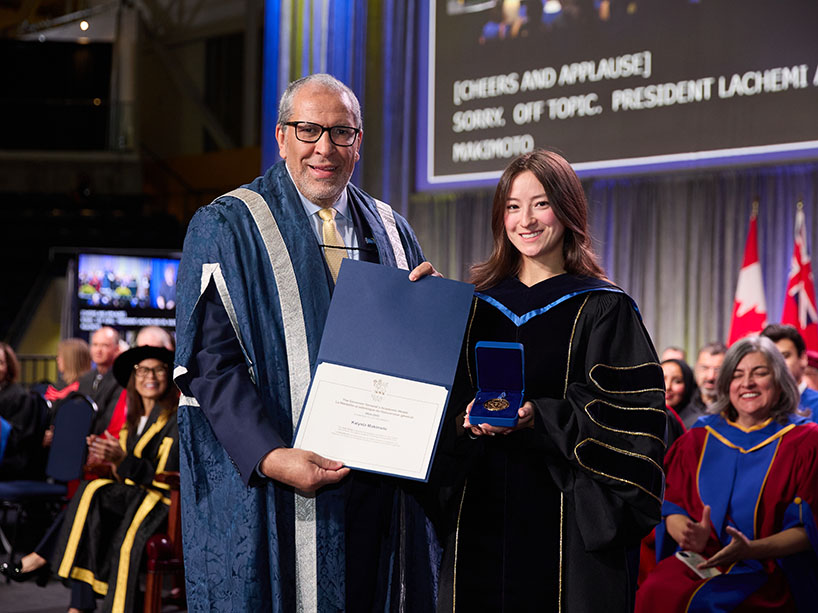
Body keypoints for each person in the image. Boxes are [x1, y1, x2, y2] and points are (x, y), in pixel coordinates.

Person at [173, 73, 438, 611]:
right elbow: (209, 362)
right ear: (281, 136)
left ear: (358, 143)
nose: (325, 149)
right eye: (309, 130)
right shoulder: (229, 225)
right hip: (280, 484)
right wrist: (270, 456)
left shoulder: (392, 229)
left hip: (378, 485)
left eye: (342, 133)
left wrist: (427, 311)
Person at [433, 149, 665, 611]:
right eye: (513, 206)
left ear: (567, 209)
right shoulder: (471, 306)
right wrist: (425, 309)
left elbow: (633, 426)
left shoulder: (604, 307)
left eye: (541, 203)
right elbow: (443, 405)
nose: (527, 220)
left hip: (569, 526)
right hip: (476, 516)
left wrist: (540, 418)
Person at [636, 336, 818, 612]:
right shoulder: (698, 438)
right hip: (702, 559)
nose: (747, 383)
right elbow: (672, 503)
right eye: (737, 374)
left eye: (760, 373)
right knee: (655, 591)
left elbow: (810, 526)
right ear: (726, 385)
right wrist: (686, 533)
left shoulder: (805, 442)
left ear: (780, 381)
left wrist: (752, 549)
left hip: (773, 567)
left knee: (711, 604)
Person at [0, 345, 179, 613]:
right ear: (133, 377)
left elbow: (163, 478)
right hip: (132, 495)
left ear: (169, 375)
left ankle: (44, 561)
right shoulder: (134, 419)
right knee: (90, 499)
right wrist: (106, 457)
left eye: (158, 369)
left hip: (159, 504)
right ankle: (75, 601)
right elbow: (123, 471)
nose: (149, 376)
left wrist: (120, 460)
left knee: (91, 495)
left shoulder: (174, 419)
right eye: (142, 370)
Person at [0, 342, 44, 480]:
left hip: (11, 462)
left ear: (8, 367)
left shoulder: (19, 396)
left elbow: (18, 440)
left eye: (0, 362)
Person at [761, 323, 818, 417]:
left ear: (803, 358)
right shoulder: (753, 407)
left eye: (785, 356)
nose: (778, 363)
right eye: (770, 358)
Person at [77, 327, 123, 434]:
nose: (98, 350)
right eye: (95, 345)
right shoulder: (85, 378)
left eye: (105, 345)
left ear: (117, 349)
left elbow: (110, 420)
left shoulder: (121, 380)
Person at [679, 341, 726, 428]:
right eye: (705, 368)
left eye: (717, 370)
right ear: (695, 368)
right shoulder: (681, 403)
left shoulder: (736, 410)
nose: (710, 377)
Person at [44, 338, 92, 402]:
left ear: (70, 360)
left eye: (61, 356)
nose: (57, 359)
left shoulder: (85, 388)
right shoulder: (59, 385)